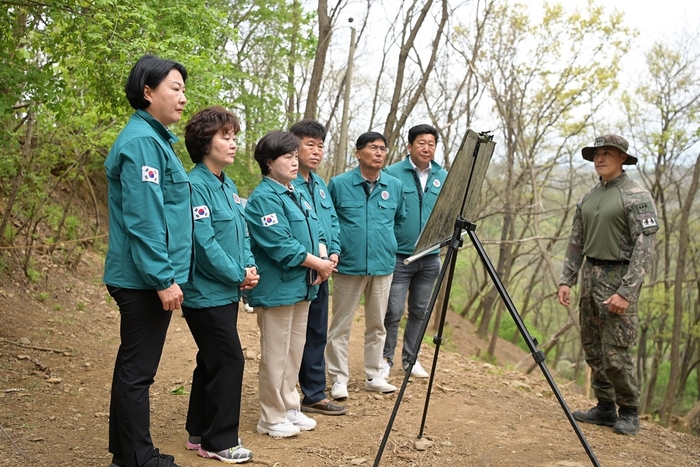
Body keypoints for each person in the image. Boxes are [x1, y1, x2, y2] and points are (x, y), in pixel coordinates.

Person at [104, 54, 191, 467]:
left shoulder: (156, 141)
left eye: (183, 90)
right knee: (139, 372)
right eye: (175, 88)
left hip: (143, 275)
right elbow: (144, 218)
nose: (182, 98)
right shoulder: (141, 143)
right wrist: (162, 278)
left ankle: (125, 453)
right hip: (141, 278)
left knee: (130, 367)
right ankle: (139, 458)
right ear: (147, 91)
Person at [558, 134, 658, 436]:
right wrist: (567, 279)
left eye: (607, 154)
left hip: (619, 277)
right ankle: (604, 406)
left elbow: (645, 247)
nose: (600, 158)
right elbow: (576, 241)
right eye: (597, 154)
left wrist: (626, 292)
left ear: (623, 159)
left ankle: (628, 411)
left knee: (616, 352)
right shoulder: (589, 197)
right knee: (593, 348)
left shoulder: (635, 195)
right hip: (590, 275)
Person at [244, 131, 336, 438]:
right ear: (269, 163)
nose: (294, 162)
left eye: (295, 157)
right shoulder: (263, 199)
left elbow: (318, 231)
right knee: (276, 355)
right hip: (278, 289)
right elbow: (281, 245)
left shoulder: (295, 192)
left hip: (303, 287)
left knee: (294, 351)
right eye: (287, 157)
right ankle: (270, 416)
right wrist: (317, 264)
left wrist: (325, 261)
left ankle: (289, 406)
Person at [180, 106, 259, 464]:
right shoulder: (194, 186)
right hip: (204, 294)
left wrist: (249, 266)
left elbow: (240, 234)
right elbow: (204, 243)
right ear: (204, 141)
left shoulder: (228, 186)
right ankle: (220, 440)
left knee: (210, 360)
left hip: (226, 292)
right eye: (224, 136)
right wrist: (236, 274)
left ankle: (199, 432)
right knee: (229, 361)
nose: (232, 143)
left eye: (233, 136)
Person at [326, 131, 406, 399]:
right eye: (373, 148)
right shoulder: (338, 184)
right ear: (358, 153)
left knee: (377, 324)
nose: (379, 153)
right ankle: (338, 378)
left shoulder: (394, 186)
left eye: (383, 149)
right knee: (341, 325)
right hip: (348, 265)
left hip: (383, 266)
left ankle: (374, 374)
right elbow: (330, 222)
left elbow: (398, 219)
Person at [289, 120, 347, 416]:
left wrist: (334, 253)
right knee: (294, 336)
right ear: (293, 146)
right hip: (300, 271)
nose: (316, 151)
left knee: (317, 333)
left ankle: (313, 393)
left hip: (323, 271)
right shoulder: (287, 183)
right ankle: (289, 397)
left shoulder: (320, 184)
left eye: (320, 146)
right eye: (309, 144)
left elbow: (332, 223)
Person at [381, 124, 448, 379]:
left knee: (420, 310)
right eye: (421, 142)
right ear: (409, 146)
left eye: (431, 143)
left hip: (430, 257)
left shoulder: (443, 176)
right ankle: (385, 359)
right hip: (399, 256)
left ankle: (412, 359)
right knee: (393, 310)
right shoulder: (392, 173)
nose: (426, 147)